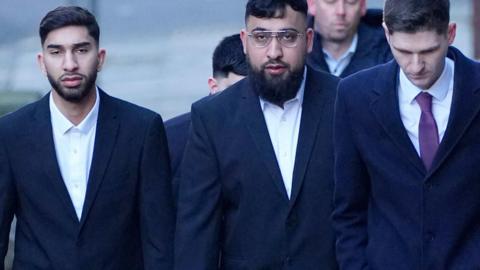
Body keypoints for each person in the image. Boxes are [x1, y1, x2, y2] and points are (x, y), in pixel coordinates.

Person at [0, 6, 174, 270]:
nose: (69, 64)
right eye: (56, 52)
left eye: (81, 50)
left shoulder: (141, 129)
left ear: (100, 57)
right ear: (41, 62)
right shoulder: (11, 132)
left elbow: (158, 239)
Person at [174, 0, 339, 269]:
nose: (274, 51)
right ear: (244, 41)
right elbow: (197, 234)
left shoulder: (344, 102)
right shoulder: (213, 118)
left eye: (287, 37)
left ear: (308, 40)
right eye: (261, 37)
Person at [333, 0, 480, 268]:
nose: (415, 66)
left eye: (428, 51)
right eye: (402, 51)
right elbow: (348, 210)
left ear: (450, 33)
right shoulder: (355, 96)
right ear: (387, 33)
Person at [165, 34, 247, 188]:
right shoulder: (170, 139)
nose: (242, 102)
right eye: (233, 92)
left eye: (252, 93)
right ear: (213, 86)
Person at [306, 0, 391, 77]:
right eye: (331, 1)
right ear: (312, 4)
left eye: (351, 1)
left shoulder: (390, 49)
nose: (341, 11)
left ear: (362, 5)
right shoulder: (296, 45)